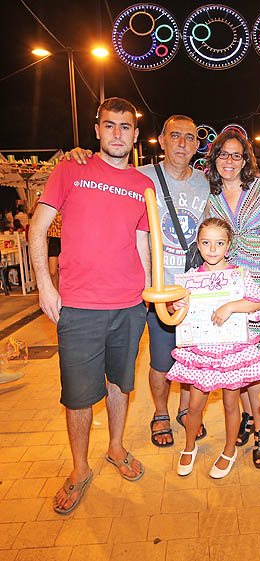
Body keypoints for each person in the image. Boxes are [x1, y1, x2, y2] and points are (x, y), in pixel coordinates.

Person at [29, 97, 152, 514]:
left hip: (130, 304)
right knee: (79, 396)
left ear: (136, 135)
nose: (118, 134)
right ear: (97, 130)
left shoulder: (142, 184)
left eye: (126, 127)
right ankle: (80, 468)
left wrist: (150, 294)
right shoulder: (70, 169)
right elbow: (37, 228)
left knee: (120, 384)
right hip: (79, 307)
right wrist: (45, 287)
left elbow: (141, 242)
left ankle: (116, 448)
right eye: (110, 125)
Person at [64, 115, 210, 447]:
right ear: (161, 140)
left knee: (193, 358)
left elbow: (238, 181)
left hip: (194, 291)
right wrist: (80, 155)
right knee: (161, 361)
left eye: (190, 137)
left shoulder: (206, 181)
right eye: (175, 136)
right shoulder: (138, 176)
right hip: (153, 290)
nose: (183, 143)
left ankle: (186, 411)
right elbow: (101, 175)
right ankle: (160, 412)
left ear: (197, 144)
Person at [206, 129, 260, 468]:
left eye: (236, 155)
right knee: (237, 361)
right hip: (229, 287)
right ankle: (246, 418)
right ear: (214, 160)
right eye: (223, 155)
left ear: (246, 160)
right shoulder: (211, 199)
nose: (229, 161)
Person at [166, 218, 260, 478]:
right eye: (206, 243)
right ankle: (189, 445)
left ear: (228, 246)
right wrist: (176, 307)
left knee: (231, 402)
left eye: (219, 243)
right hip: (201, 353)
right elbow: (174, 309)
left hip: (232, 352)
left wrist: (231, 306)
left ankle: (229, 450)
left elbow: (257, 303)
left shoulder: (239, 276)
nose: (212, 249)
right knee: (195, 404)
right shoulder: (191, 279)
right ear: (198, 245)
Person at [47, 211, 62, 290]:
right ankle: (56, 296)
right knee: (52, 271)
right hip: (54, 238)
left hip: (68, 236)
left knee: (67, 271)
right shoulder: (46, 200)